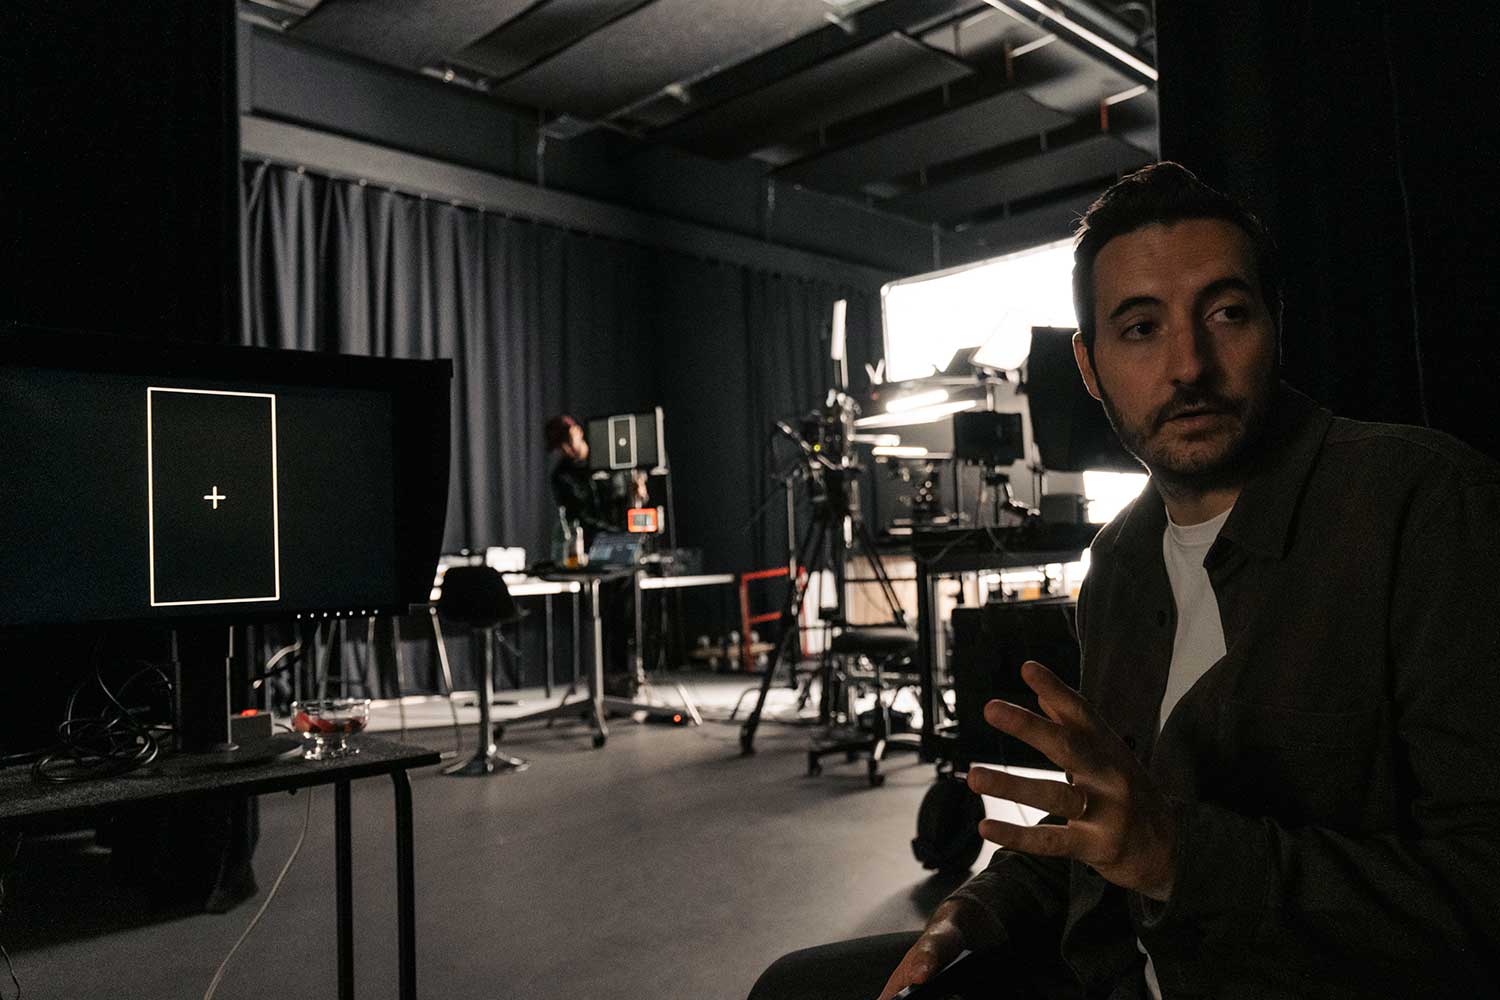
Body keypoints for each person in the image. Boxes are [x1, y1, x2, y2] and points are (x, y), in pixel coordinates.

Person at [748, 162, 1500, 999]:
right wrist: (976, 910)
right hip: (1114, 971)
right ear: (1090, 365)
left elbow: (1481, 896)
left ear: (1275, 325)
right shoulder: (1120, 563)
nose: (1188, 365)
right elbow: (1111, 817)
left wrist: (1180, 857)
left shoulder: (1426, 507)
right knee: (798, 988)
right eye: (1140, 328)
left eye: (1226, 313)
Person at [545, 413, 648, 546]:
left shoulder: (610, 455)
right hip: (591, 543)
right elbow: (574, 516)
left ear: (578, 431)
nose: (566, 449)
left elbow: (634, 480)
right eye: (559, 446)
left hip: (628, 536)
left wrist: (640, 486)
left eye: (567, 440)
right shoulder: (561, 476)